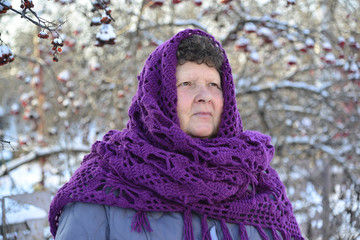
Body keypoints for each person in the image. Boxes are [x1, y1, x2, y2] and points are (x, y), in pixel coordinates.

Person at [49, 29, 304, 240]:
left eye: (213, 85)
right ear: (159, 98)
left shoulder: (257, 181)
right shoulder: (103, 183)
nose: (204, 95)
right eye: (187, 84)